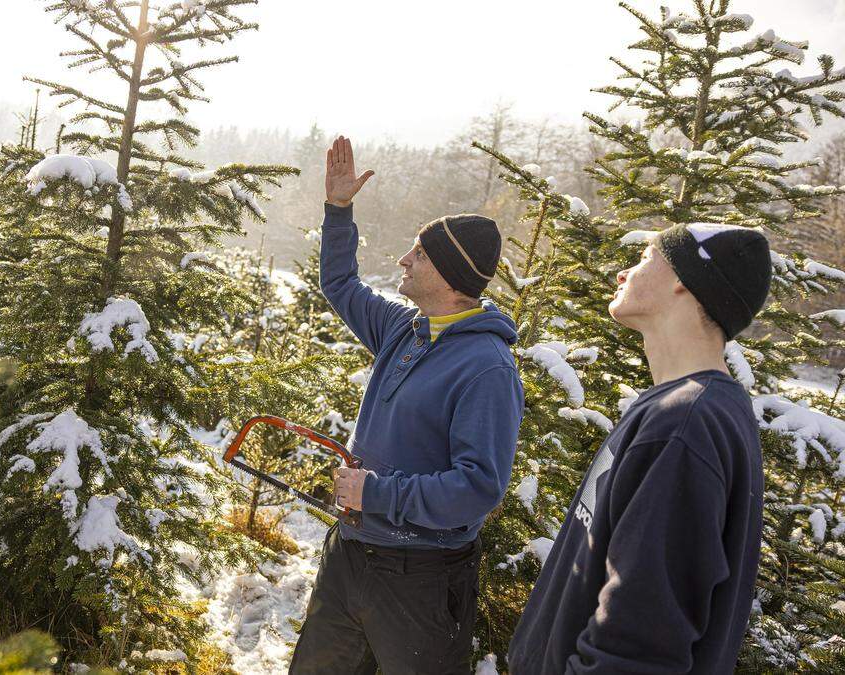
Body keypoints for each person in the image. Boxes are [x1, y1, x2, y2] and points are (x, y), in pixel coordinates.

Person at [288, 136, 525, 674]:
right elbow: (340, 282)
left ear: (447, 272)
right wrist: (339, 210)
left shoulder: (486, 367)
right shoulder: (404, 329)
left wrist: (377, 492)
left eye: (418, 253)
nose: (403, 259)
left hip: (421, 575)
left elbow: (477, 489)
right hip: (350, 553)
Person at [507, 224, 772, 673]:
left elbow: (639, 642)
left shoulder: (686, 424)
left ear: (684, 280)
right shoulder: (686, 407)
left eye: (647, 257)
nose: (623, 273)